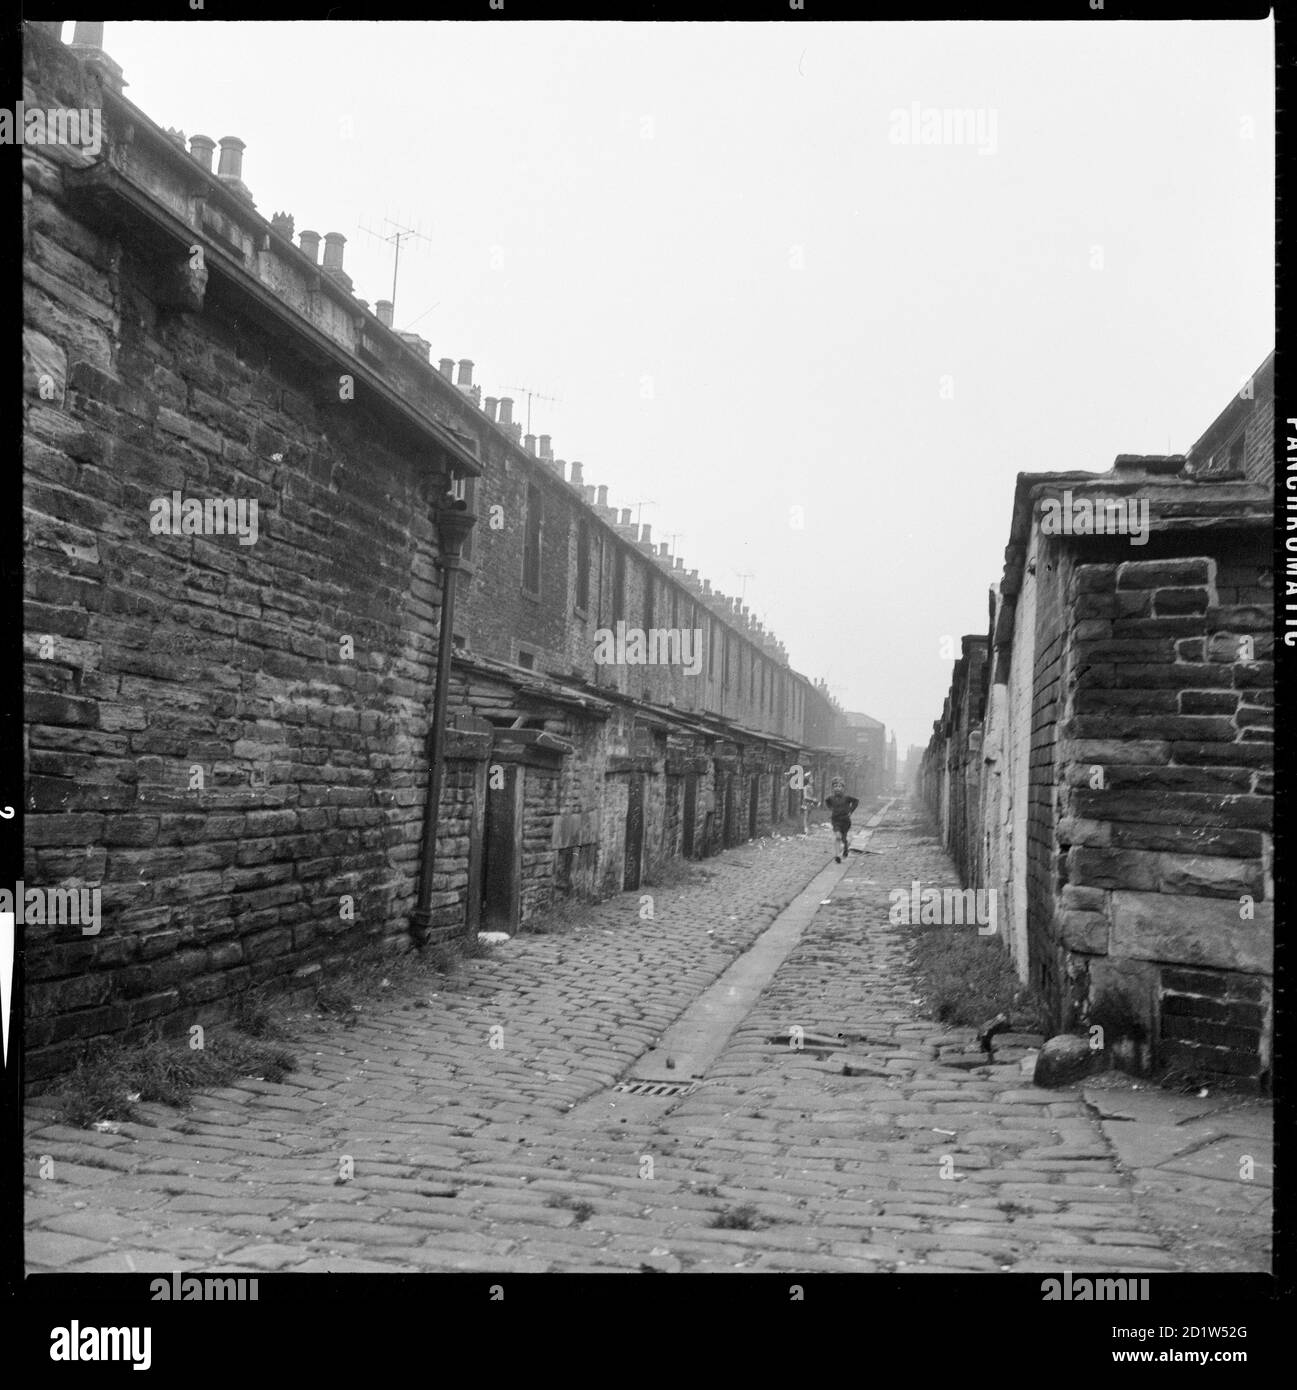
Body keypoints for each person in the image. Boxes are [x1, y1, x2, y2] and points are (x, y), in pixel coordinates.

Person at [823, 778, 859, 862]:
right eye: (835, 786)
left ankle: (846, 846)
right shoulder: (831, 798)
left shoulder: (847, 798)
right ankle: (837, 855)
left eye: (840, 786)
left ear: (843, 788)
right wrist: (831, 808)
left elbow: (856, 801)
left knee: (843, 837)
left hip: (846, 821)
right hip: (836, 820)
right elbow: (827, 801)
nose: (838, 788)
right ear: (833, 788)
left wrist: (851, 810)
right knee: (838, 836)